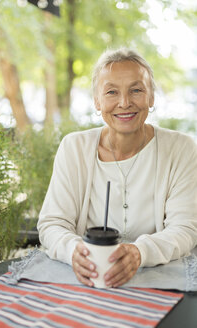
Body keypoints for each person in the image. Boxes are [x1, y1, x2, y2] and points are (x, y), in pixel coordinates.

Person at [37, 47, 197, 288]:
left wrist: (139, 252)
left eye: (136, 90)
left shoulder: (180, 148)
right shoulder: (74, 147)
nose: (124, 103)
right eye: (112, 92)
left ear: (151, 96)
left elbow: (185, 228)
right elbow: (52, 223)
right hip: (88, 278)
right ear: (97, 101)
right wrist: (74, 251)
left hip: (160, 280)